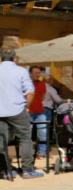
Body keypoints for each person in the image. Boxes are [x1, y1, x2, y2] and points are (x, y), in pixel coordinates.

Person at [0, 48, 42, 179]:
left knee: (1, 141)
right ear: (14, 58)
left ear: (1, 58)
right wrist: (26, 106)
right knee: (25, 139)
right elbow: (30, 92)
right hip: (17, 110)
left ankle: (5, 170)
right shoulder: (21, 71)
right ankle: (27, 170)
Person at [27, 66, 63, 161]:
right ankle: (30, 153)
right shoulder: (26, 83)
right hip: (30, 111)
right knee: (30, 133)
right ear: (30, 73)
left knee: (41, 132)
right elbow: (58, 100)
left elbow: (41, 97)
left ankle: (41, 153)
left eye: (38, 73)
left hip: (40, 110)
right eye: (35, 72)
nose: (37, 74)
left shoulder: (42, 84)